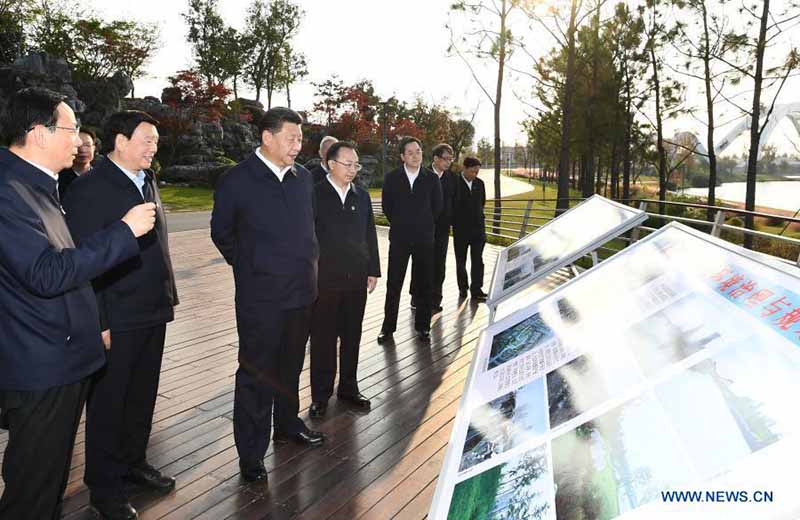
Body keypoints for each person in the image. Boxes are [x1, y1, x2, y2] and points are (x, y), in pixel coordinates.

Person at [0, 87, 156, 520]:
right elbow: (46, 273)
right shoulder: (9, 192)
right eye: (71, 129)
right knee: (32, 491)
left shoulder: (36, 185)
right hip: (40, 367)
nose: (80, 139)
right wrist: (124, 232)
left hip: (62, 358)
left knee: (48, 484)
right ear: (38, 132)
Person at [62, 110, 179, 520]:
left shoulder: (147, 180)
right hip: (116, 312)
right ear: (120, 141)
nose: (153, 148)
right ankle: (104, 486)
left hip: (153, 306)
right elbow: (81, 259)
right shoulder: (89, 189)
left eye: (156, 141)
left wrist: (168, 295)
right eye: (147, 140)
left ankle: (133, 462)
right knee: (110, 403)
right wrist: (99, 320)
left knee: (142, 395)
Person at [211, 107, 325, 486]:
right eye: (291, 138)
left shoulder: (303, 178)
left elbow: (310, 228)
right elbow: (221, 232)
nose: (298, 145)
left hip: (302, 293)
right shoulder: (237, 180)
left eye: (300, 138)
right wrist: (252, 267)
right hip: (260, 297)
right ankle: (251, 453)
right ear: (267, 137)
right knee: (256, 374)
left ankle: (288, 424)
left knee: (291, 366)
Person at [309, 141, 380, 418]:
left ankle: (349, 388)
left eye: (356, 164)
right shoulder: (314, 194)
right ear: (331, 164)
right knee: (323, 339)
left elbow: (370, 233)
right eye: (347, 164)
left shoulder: (361, 196)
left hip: (355, 278)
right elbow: (306, 237)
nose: (353, 169)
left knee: (352, 335)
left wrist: (373, 269)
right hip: (324, 280)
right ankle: (320, 395)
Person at [378, 137, 442, 342]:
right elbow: (387, 207)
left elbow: (437, 207)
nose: (416, 156)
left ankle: (423, 326)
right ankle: (388, 327)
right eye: (411, 152)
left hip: (424, 239)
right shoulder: (392, 178)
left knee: (425, 284)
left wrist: (423, 225)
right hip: (400, 239)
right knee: (393, 284)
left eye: (418, 151)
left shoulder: (431, 179)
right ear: (402, 156)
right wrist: (402, 223)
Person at [410, 143, 456, 313]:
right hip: (422, 230)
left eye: (451, 159)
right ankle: (417, 297)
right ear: (436, 158)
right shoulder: (422, 176)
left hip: (442, 230)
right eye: (446, 159)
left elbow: (455, 203)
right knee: (421, 264)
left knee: (439, 265)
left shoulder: (452, 178)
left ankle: (435, 299)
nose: (448, 162)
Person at [453, 157, 487, 301]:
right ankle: (463, 288)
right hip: (461, 230)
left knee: (478, 260)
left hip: (478, 230)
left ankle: (476, 289)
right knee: (461, 261)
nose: (475, 174)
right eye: (473, 171)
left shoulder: (480, 184)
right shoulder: (454, 183)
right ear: (464, 168)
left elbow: (482, 203)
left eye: (477, 172)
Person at [58, 127, 96, 200]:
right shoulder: (59, 178)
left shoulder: (102, 177)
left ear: (93, 148)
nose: (83, 150)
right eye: (78, 146)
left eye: (87, 145)